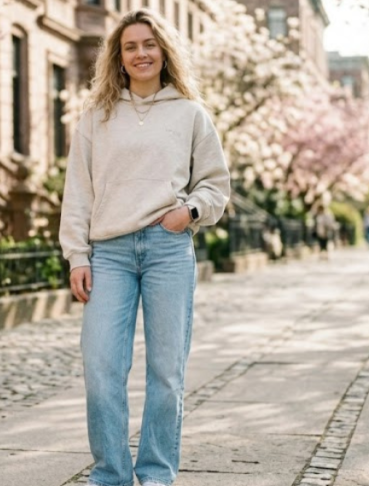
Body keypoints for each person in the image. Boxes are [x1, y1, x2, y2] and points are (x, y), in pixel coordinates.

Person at [59, 9, 231, 486]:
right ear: (118, 56)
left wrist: (189, 213)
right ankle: (111, 475)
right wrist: (77, 254)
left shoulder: (191, 114)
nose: (141, 53)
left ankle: (156, 474)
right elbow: (78, 191)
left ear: (164, 52)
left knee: (167, 373)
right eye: (131, 46)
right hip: (109, 254)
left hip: (167, 249)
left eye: (149, 44)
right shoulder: (97, 118)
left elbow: (217, 186)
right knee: (100, 368)